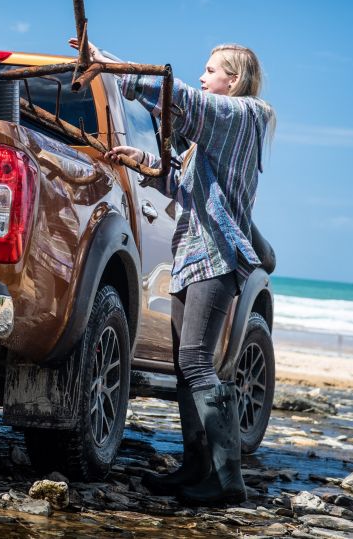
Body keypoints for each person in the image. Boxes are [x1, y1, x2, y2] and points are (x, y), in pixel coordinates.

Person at [70, 38, 274, 505]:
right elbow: (181, 186)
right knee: (187, 367)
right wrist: (142, 162)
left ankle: (227, 481)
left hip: (215, 257)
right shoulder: (216, 134)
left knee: (198, 362)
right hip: (191, 256)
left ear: (234, 81)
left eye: (211, 70)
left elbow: (176, 95)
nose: (203, 76)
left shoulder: (241, 116)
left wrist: (108, 65)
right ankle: (196, 467)